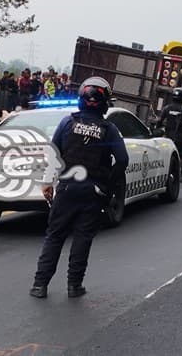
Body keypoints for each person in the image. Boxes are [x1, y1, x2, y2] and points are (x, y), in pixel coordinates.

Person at [30, 77, 129, 299]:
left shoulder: (67, 123)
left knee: (55, 236)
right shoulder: (109, 129)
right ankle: (74, 286)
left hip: (66, 189)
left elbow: (54, 154)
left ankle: (39, 285)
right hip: (93, 192)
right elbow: (122, 160)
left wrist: (48, 182)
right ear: (105, 102)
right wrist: (108, 186)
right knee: (82, 238)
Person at [157, 87, 182, 180]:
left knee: (168, 155)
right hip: (181, 136)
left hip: (169, 136)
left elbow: (159, 121)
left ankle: (166, 174)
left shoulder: (167, 108)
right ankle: (181, 176)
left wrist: (157, 130)